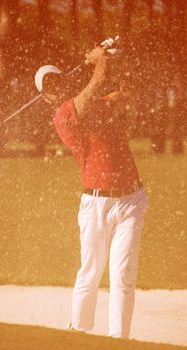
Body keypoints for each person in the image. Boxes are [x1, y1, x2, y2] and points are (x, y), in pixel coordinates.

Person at [35, 45, 148, 339]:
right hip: (96, 204)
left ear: (64, 81)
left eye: (56, 79)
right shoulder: (63, 115)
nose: (54, 87)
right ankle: (80, 331)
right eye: (48, 86)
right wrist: (99, 60)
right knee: (91, 271)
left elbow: (128, 90)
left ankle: (119, 340)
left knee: (123, 276)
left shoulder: (98, 103)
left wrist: (116, 57)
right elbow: (97, 82)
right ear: (45, 97)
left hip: (131, 201)